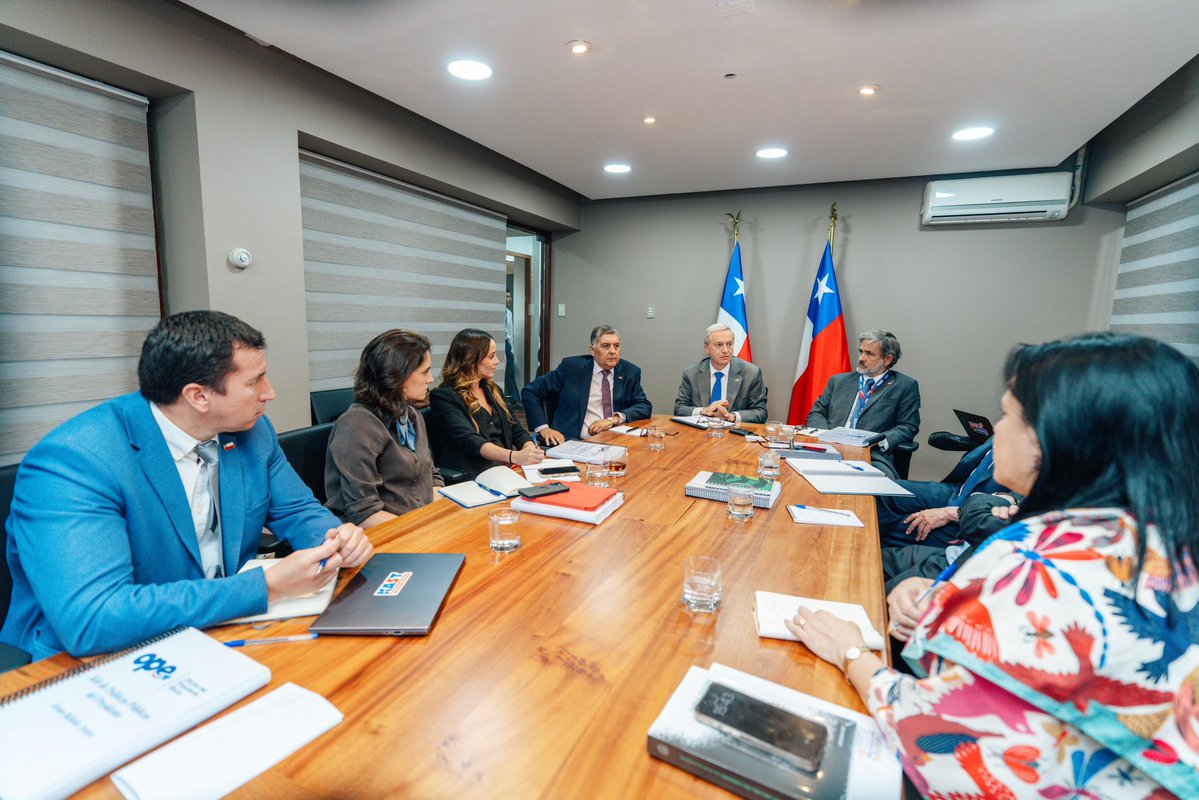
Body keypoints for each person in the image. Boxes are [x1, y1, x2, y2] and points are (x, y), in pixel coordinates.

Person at [785, 332, 1199, 799]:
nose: (995, 431)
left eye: (1009, 416)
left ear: (1058, 442)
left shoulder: (1041, 562)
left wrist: (850, 654)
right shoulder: (1156, 543)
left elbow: (945, 749)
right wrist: (940, 596)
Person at [1, 311, 372, 660]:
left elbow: (297, 511)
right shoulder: (74, 461)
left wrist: (337, 539)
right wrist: (267, 586)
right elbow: (94, 618)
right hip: (93, 659)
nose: (269, 393)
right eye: (254, 380)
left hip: (218, 631)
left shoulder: (253, 432)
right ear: (198, 396)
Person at [324, 329, 443, 528]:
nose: (431, 379)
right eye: (425, 371)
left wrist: (443, 515)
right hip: (382, 536)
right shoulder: (356, 426)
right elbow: (364, 514)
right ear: (398, 377)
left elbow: (432, 476)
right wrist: (421, 530)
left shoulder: (413, 417)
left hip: (417, 524)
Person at [428, 328, 544, 480]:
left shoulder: (492, 390)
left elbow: (517, 430)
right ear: (471, 360)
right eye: (491, 356)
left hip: (505, 471)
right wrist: (514, 456)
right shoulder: (443, 396)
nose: (497, 361)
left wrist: (529, 449)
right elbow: (471, 441)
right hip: (473, 476)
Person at [806, 329, 919, 478]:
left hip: (871, 456)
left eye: (870, 354)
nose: (861, 358)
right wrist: (826, 437)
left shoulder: (905, 386)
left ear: (888, 359)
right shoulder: (839, 381)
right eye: (861, 351)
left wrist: (877, 441)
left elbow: (908, 426)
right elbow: (817, 412)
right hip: (828, 449)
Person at [522, 324, 652, 446]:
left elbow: (644, 406)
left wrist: (613, 419)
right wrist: (543, 428)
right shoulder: (572, 368)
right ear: (592, 350)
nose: (613, 351)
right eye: (606, 346)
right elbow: (530, 391)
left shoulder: (630, 371)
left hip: (616, 441)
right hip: (575, 442)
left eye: (616, 346)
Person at [875, 439, 1008, 549]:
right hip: (959, 490)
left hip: (972, 515)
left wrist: (952, 513)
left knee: (899, 527)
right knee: (884, 490)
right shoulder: (1010, 431)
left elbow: (1012, 509)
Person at [673, 323, 768, 423]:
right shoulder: (691, 373)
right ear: (707, 348)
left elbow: (761, 412)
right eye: (719, 345)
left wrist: (732, 416)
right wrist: (704, 411)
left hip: (735, 434)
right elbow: (679, 409)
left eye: (729, 344)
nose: (726, 350)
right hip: (699, 433)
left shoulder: (751, 373)